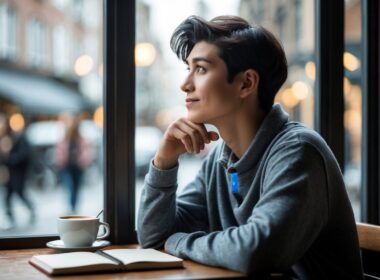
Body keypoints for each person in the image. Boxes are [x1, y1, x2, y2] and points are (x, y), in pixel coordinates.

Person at [137, 15, 363, 278]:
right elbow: (153, 237)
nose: (185, 84)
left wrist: (178, 242)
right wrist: (164, 162)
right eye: (188, 68)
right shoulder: (219, 163)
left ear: (246, 83)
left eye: (200, 69)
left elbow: (256, 250)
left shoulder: (299, 151)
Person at [0, 113, 35, 227]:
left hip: (17, 172)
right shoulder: (4, 138)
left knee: (19, 192)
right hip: (8, 171)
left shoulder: (17, 137)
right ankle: (10, 217)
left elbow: (24, 155)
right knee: (8, 195)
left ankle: (31, 209)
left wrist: (9, 157)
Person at [55, 115, 93, 213]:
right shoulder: (65, 138)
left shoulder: (81, 139)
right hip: (67, 166)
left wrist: (83, 160)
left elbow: (87, 152)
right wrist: (61, 160)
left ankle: (74, 207)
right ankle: (72, 206)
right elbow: (59, 151)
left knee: (76, 188)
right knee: (70, 186)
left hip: (78, 167)